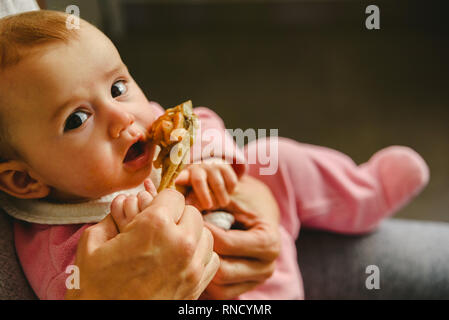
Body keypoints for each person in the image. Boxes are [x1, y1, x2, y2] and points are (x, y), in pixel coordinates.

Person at [0, 10, 429, 300]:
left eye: (117, 87)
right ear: (25, 180)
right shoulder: (60, 253)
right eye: (77, 119)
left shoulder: (144, 123)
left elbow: (200, 121)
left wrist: (212, 160)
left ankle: (362, 192)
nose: (122, 118)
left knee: (272, 155)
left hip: (250, 230)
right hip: (229, 294)